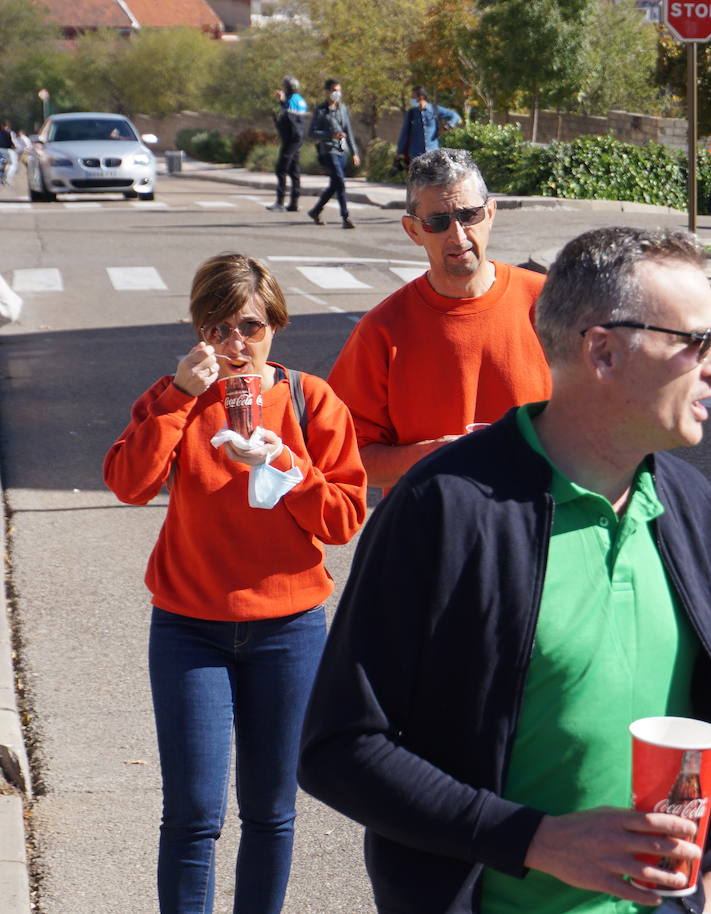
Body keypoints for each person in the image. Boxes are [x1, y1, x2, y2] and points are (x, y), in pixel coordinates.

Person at [300, 226, 711, 914]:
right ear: (603, 352)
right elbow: (340, 747)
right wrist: (533, 840)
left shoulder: (690, 504)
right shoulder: (446, 508)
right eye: (694, 343)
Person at [102, 253, 367, 913]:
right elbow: (128, 485)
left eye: (250, 326)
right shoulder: (177, 398)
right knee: (193, 812)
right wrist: (179, 396)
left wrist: (288, 465)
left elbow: (342, 519)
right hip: (190, 629)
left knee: (272, 810)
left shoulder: (310, 400)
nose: (236, 344)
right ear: (198, 330)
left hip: (290, 631)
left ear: (275, 326)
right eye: (218, 328)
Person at [327, 147, 552, 491]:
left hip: (538, 526)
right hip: (432, 535)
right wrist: (434, 456)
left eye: (469, 215)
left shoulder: (550, 305)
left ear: (490, 213)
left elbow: (601, 419)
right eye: (437, 222)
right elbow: (345, 454)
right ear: (413, 231)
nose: (458, 236)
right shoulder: (382, 331)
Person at [307, 78, 360, 229]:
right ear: (327, 92)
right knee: (340, 181)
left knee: (335, 184)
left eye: (339, 90)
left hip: (342, 149)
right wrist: (329, 134)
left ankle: (316, 210)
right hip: (329, 150)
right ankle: (345, 216)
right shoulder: (321, 110)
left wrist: (355, 152)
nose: (337, 93)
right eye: (334, 90)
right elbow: (312, 133)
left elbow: (348, 130)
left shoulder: (343, 109)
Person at [267, 76, 310, 213]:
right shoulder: (300, 101)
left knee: (281, 169)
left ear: (288, 88)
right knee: (294, 170)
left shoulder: (290, 101)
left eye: (285, 87)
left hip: (291, 139)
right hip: (298, 138)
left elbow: (288, 119)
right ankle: (294, 203)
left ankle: (280, 203)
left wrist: (281, 104)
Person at [396, 85, 460, 165]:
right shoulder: (411, 113)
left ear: (421, 97)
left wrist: (447, 126)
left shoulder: (434, 109)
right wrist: (399, 153)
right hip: (415, 155)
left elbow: (455, 116)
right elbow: (404, 133)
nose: (411, 99)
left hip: (433, 153)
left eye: (413, 97)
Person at [0, 121, 15, 185]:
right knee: (4, 164)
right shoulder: (6, 133)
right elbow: (10, 143)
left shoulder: (6, 133)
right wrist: (13, 147)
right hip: (5, 150)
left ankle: (2, 177)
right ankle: (3, 177)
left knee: (2, 164)